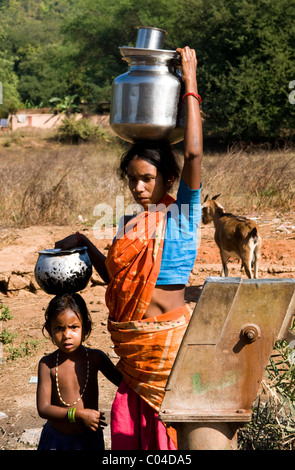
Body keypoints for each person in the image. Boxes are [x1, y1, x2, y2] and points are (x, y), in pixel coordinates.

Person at [55, 46, 202, 450]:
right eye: (133, 179)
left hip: (167, 343)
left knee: (167, 433)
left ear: (169, 178)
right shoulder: (129, 224)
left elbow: (192, 152)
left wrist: (190, 83)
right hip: (134, 349)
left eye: (148, 178)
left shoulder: (183, 214)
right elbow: (119, 280)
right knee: (129, 432)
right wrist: (86, 244)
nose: (139, 188)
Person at [36, 293, 122, 450]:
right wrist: (77, 414)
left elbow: (123, 383)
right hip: (56, 441)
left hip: (89, 440)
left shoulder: (96, 358)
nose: (67, 335)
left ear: (86, 327)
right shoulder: (47, 365)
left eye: (74, 327)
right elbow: (44, 408)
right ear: (49, 330)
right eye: (59, 328)